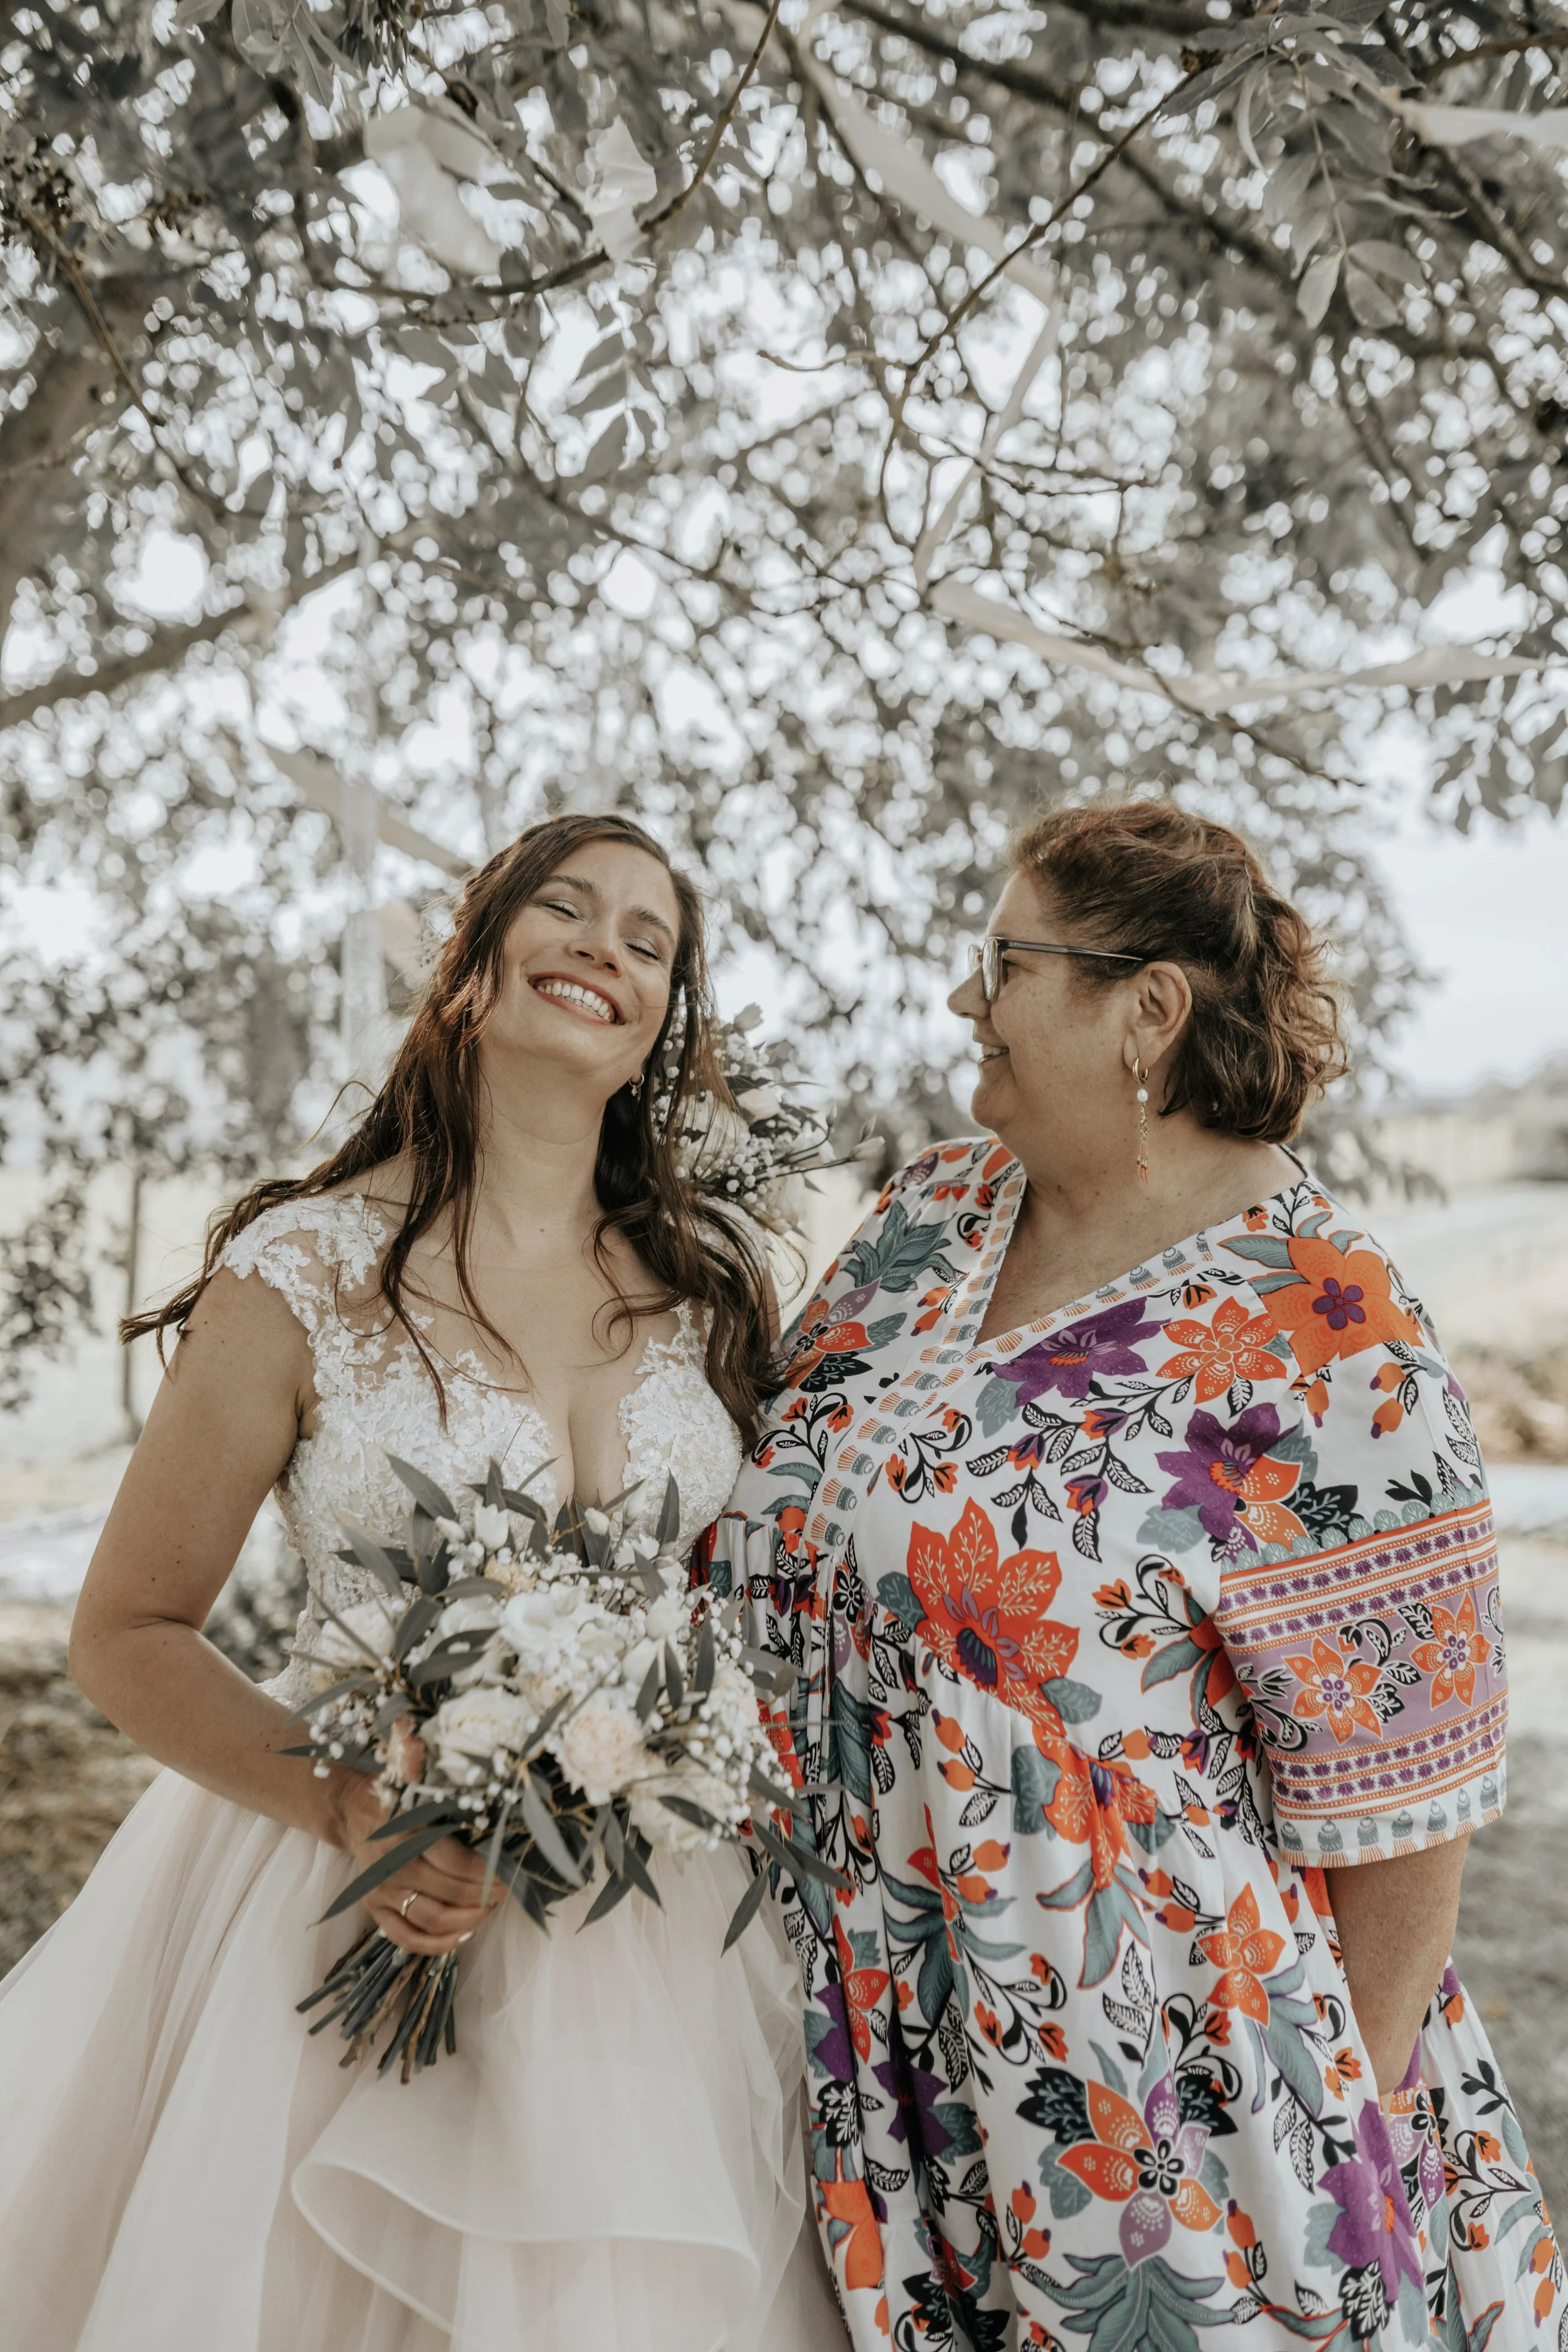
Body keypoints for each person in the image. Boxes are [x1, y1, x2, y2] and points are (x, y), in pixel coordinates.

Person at [717, 800, 1559, 2349]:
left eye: (1003, 963)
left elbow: (1407, 1810)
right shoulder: (926, 1213)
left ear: (1144, 1010)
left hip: (1146, 2085)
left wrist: (1325, 2161)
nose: (964, 1000)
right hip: (843, 2002)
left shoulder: (1327, 1328)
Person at [0, 813, 844, 2352]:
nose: (604, 947)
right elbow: (123, 1631)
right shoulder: (301, 1271)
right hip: (332, 1883)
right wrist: (350, 1806)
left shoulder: (715, 1282)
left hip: (651, 1936)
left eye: (646, 943)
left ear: (661, 1024)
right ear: (469, 967)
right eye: (567, 911)